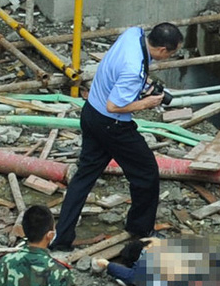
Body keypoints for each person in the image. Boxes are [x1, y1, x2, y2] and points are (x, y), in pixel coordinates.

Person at [51, 23, 183, 251]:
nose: (169, 57)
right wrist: (147, 102)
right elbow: (114, 106)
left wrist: (145, 85)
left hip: (91, 111)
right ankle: (141, 230)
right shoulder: (133, 70)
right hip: (112, 124)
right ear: (162, 50)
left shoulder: (133, 34)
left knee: (84, 177)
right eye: (171, 53)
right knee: (146, 172)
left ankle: (61, 239)